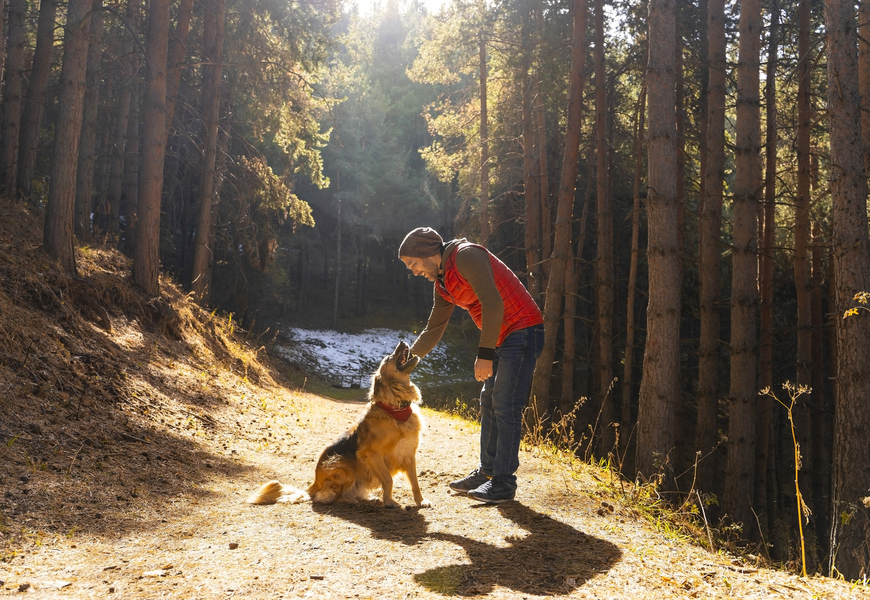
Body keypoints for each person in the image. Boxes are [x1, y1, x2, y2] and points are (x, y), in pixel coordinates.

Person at [398, 227, 544, 503]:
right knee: (488, 399)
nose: (414, 271)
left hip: (524, 329)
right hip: (503, 336)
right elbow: (434, 329)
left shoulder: (466, 256)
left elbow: (493, 303)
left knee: (505, 402)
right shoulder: (442, 284)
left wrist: (485, 354)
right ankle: (488, 472)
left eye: (413, 264)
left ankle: (504, 482)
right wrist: (407, 363)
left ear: (428, 253)